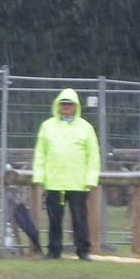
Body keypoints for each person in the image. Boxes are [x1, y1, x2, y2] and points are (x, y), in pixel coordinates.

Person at [33, 88, 100, 261]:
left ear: (76, 106)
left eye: (69, 104)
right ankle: (54, 250)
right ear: (58, 106)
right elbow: (40, 153)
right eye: (63, 104)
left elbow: (93, 156)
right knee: (54, 218)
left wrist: (91, 179)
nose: (66, 107)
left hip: (78, 182)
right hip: (54, 181)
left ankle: (83, 250)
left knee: (79, 218)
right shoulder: (47, 126)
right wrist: (39, 177)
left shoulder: (86, 128)